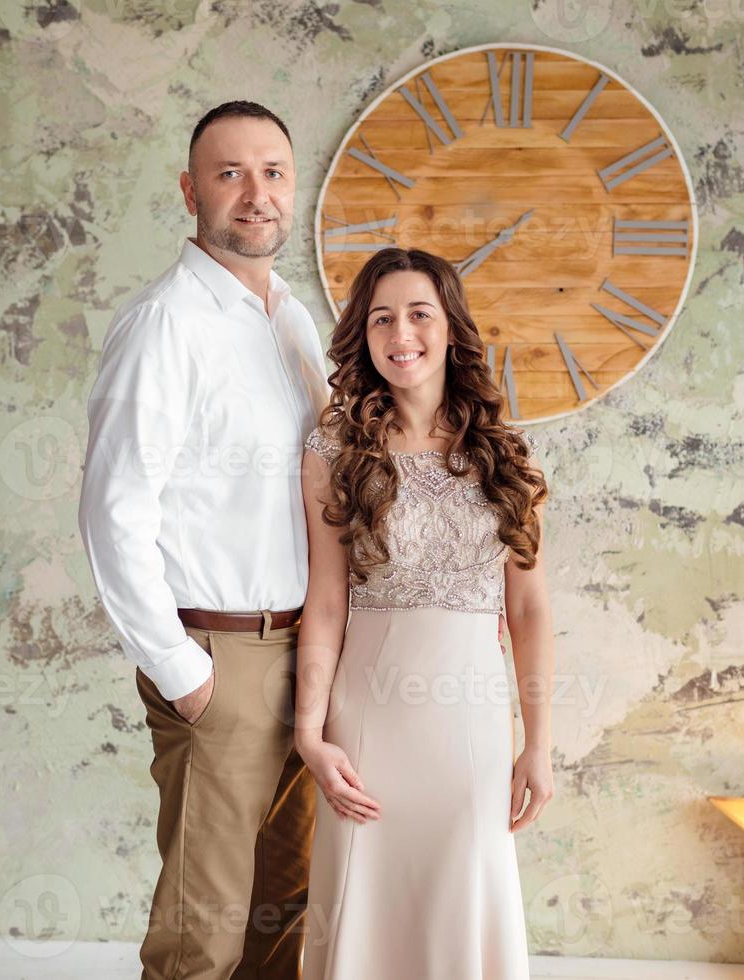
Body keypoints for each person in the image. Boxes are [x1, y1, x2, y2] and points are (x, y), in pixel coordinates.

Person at [77, 100, 328, 980]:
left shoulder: (294, 321)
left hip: (312, 654)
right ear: (190, 191)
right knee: (203, 935)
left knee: (284, 916)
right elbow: (114, 510)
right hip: (222, 655)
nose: (254, 194)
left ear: (293, 189)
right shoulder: (165, 324)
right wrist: (185, 676)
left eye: (272, 172)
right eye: (229, 174)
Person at [293, 246, 556, 978]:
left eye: (418, 313)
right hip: (370, 717)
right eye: (381, 318)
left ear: (450, 329)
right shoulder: (335, 449)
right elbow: (325, 599)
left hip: (471, 721)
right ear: (363, 336)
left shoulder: (506, 455)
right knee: (365, 902)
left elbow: (529, 609)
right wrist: (310, 732)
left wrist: (538, 743)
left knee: (463, 897)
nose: (399, 332)